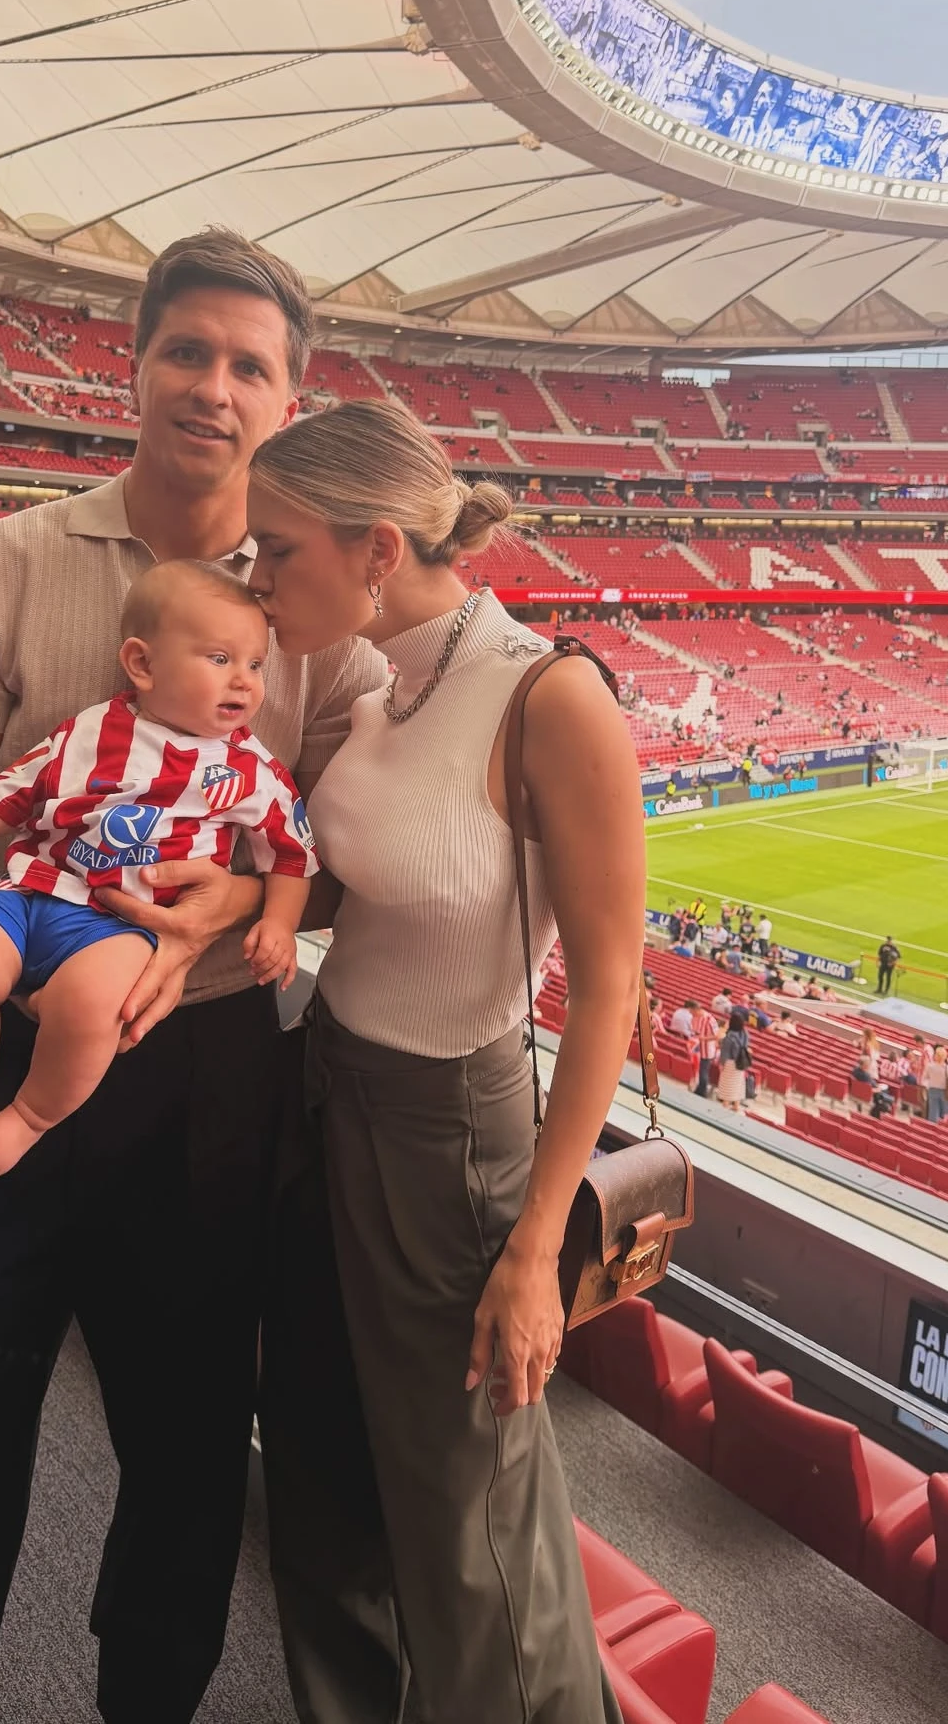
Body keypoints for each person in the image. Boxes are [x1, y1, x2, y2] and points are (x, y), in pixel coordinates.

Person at [0, 229, 386, 1724]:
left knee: (180, 1452)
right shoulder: (5, 558)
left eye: (251, 366)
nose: (214, 387)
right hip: (12, 1029)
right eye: (190, 350)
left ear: (288, 402)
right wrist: (56, 958)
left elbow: (350, 865)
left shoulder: (318, 618)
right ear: (136, 357)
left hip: (213, 1078)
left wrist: (230, 894)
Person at [247, 399, 642, 1722]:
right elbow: (345, 885)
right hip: (326, 1094)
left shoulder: (548, 691)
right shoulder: (378, 680)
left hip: (446, 1140)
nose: (258, 579)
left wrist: (535, 1251)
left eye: (276, 551)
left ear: (372, 548)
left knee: (472, 1536)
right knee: (319, 1473)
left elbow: (609, 988)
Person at [0, 564, 318, 1180]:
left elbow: (291, 852)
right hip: (31, 889)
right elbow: (24, 785)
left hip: (120, 928)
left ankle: (27, 1118)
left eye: (256, 665)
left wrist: (281, 922)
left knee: (97, 1004)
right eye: (219, 658)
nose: (244, 680)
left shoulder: (252, 769)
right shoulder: (90, 728)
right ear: (142, 664)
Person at [717, 1010, 753, 1111]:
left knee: (727, 1085)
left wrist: (721, 1063)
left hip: (730, 1062)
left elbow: (725, 1053)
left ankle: (725, 1105)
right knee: (738, 1084)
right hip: (741, 1061)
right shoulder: (745, 1033)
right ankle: (736, 1105)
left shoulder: (729, 1036)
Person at [921, 1045, 948, 1123]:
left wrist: (929, 1085)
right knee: (945, 1114)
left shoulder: (930, 1066)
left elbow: (924, 1079)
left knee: (933, 1114)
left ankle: (931, 1130)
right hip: (945, 1093)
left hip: (932, 1091)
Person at [691, 1000, 720, 1097]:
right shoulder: (695, 1018)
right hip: (698, 1048)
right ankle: (700, 1089)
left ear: (697, 1010)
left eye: (692, 1012)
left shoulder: (709, 1019)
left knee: (704, 1071)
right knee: (700, 1070)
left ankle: (703, 1092)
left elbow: (716, 1036)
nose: (692, 1014)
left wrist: (703, 1038)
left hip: (707, 1050)